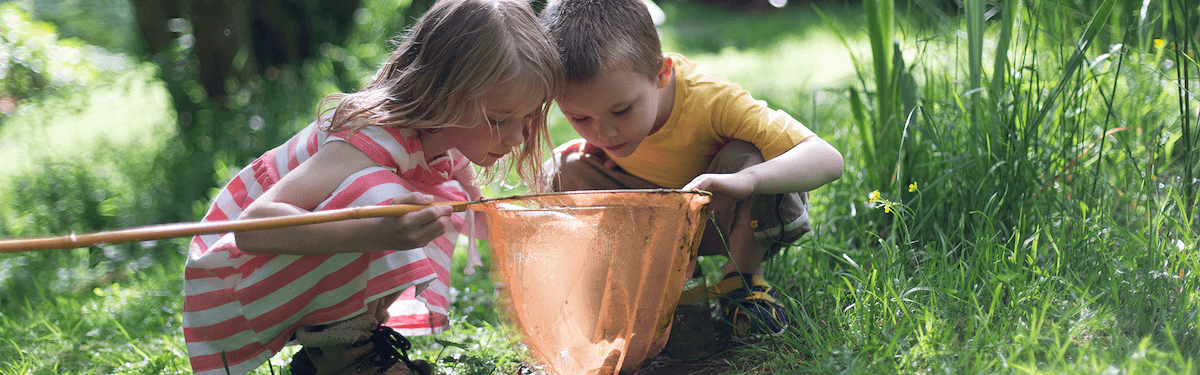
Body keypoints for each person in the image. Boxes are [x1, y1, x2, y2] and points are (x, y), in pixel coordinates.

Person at [182, 0, 563, 374]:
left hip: (269, 281)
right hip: (231, 287)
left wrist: (540, 229)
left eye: (528, 117)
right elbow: (252, 229)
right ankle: (339, 357)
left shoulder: (443, 144)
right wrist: (378, 231)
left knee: (435, 202)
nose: (516, 136)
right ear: (445, 93)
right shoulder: (371, 139)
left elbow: (482, 219)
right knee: (384, 199)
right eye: (499, 119)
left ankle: (353, 343)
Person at [540, 0, 843, 338]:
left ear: (662, 72)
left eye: (622, 111)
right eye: (580, 118)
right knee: (561, 168)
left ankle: (741, 283)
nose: (604, 132)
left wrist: (746, 179)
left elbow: (828, 159)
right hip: (660, 222)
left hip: (725, 218)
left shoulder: (711, 99)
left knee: (750, 153)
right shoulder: (607, 119)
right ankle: (649, 286)